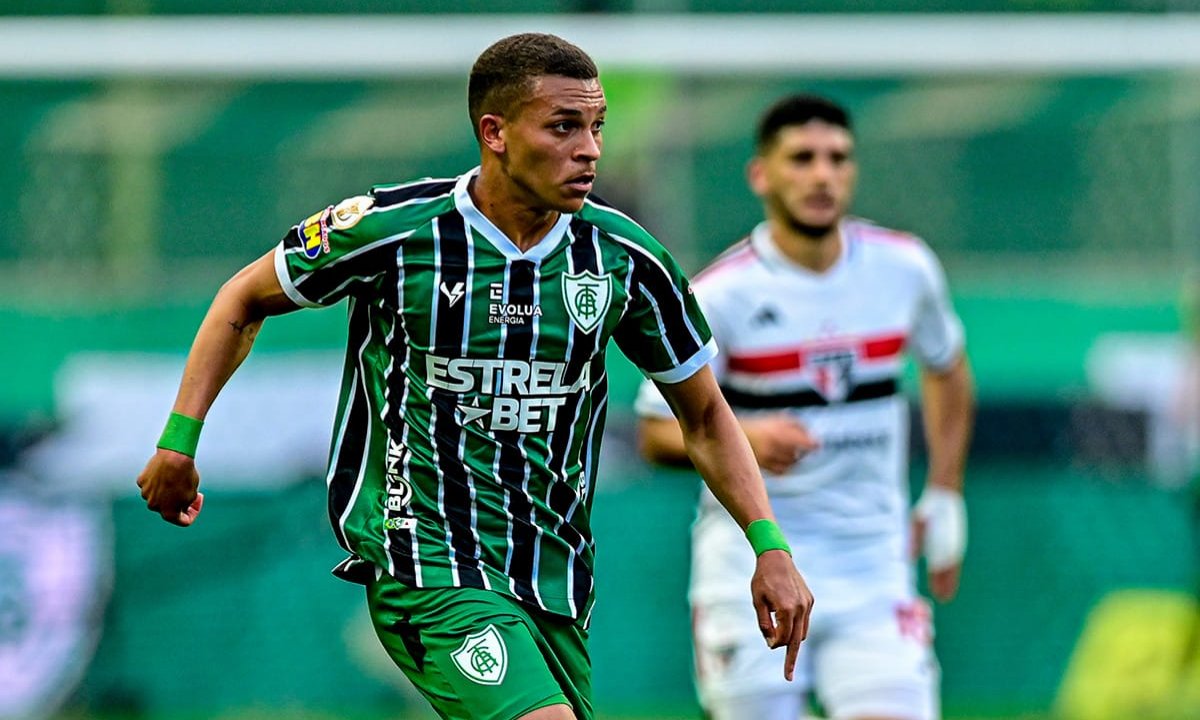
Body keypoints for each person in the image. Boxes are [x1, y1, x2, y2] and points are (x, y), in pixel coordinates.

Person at [134, 33, 813, 720]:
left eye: (597, 126)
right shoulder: (396, 230)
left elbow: (703, 417)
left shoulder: (625, 259)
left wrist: (769, 546)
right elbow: (243, 299)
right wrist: (179, 441)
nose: (591, 149)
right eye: (564, 127)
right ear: (495, 132)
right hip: (422, 561)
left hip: (552, 571)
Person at [635, 94, 975, 720]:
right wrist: (751, 436)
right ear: (761, 175)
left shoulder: (905, 267)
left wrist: (946, 488)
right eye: (802, 158)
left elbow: (947, 368)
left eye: (837, 158)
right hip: (752, 566)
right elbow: (654, 434)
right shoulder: (721, 294)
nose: (822, 175)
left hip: (873, 561)